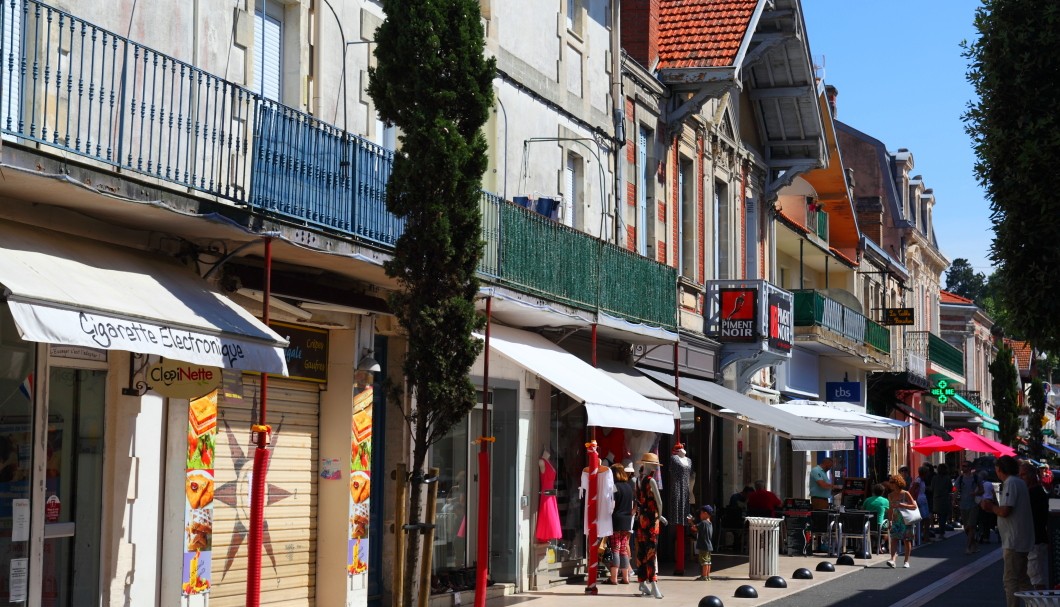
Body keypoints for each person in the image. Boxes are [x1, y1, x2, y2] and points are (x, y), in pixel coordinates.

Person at [980, 455, 1033, 607]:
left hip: (1014, 540)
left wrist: (990, 508)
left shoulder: (1011, 483)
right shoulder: (1020, 483)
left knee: (1010, 581)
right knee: (1022, 579)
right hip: (1021, 538)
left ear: (1000, 469)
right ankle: (1036, 604)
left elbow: (1005, 511)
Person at [635, 452, 666, 599]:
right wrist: (660, 516)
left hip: (641, 518)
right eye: (654, 464)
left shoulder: (637, 479)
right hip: (651, 519)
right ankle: (653, 584)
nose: (655, 466)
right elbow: (659, 502)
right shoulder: (650, 481)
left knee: (642, 551)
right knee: (651, 552)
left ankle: (642, 582)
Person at [1019, 461, 1049, 590]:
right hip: (1032, 539)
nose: (1021, 478)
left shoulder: (1035, 493)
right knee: (1032, 575)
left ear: (1031, 476)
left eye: (1023, 475)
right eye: (1019, 475)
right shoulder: (1033, 491)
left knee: (1036, 576)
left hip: (1035, 539)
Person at [607, 463, 635, 585]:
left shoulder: (614, 487)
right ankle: (625, 577)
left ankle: (613, 578)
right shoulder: (629, 487)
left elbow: (611, 505)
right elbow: (634, 504)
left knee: (615, 548)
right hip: (627, 520)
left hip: (616, 519)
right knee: (623, 549)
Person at [885, 473, 918, 569]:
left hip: (905, 519)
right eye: (890, 482)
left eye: (892, 482)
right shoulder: (890, 495)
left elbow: (914, 506)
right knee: (894, 539)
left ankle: (906, 560)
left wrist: (902, 505)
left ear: (897, 483)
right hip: (896, 519)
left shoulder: (905, 493)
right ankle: (892, 560)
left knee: (907, 540)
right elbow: (890, 508)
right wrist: (890, 520)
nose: (891, 484)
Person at [956, 460, 980, 554]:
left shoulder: (976, 478)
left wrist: (975, 493)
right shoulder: (960, 478)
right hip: (963, 505)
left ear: (970, 468)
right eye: (962, 466)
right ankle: (974, 544)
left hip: (973, 504)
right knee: (966, 528)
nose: (963, 468)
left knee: (971, 526)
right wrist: (954, 499)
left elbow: (981, 490)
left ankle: (968, 547)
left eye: (965, 466)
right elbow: (956, 490)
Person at [861, 483, 890, 554]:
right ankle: (881, 544)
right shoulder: (885, 501)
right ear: (883, 492)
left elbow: (862, 510)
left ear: (873, 492)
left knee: (872, 531)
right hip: (880, 525)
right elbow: (888, 511)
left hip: (868, 525)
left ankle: (875, 545)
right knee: (888, 528)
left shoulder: (867, 500)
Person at [689, 505, 714, 581]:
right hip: (709, 545)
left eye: (701, 513)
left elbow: (694, 528)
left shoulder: (703, 523)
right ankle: (707, 576)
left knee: (704, 562)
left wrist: (691, 522)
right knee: (708, 561)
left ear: (705, 514)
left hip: (703, 545)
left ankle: (703, 576)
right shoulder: (710, 523)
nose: (700, 515)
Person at [930, 462, 951, 539]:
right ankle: (942, 532)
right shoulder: (947, 478)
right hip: (944, 499)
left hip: (936, 499)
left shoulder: (935, 478)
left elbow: (932, 488)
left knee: (939, 516)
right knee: (943, 516)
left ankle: (941, 531)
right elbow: (950, 488)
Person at [978, 469, 997, 543]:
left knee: (981, 519)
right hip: (989, 502)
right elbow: (993, 493)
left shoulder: (979, 484)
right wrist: (996, 501)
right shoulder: (989, 484)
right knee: (987, 521)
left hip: (981, 502)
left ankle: (981, 533)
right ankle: (986, 537)